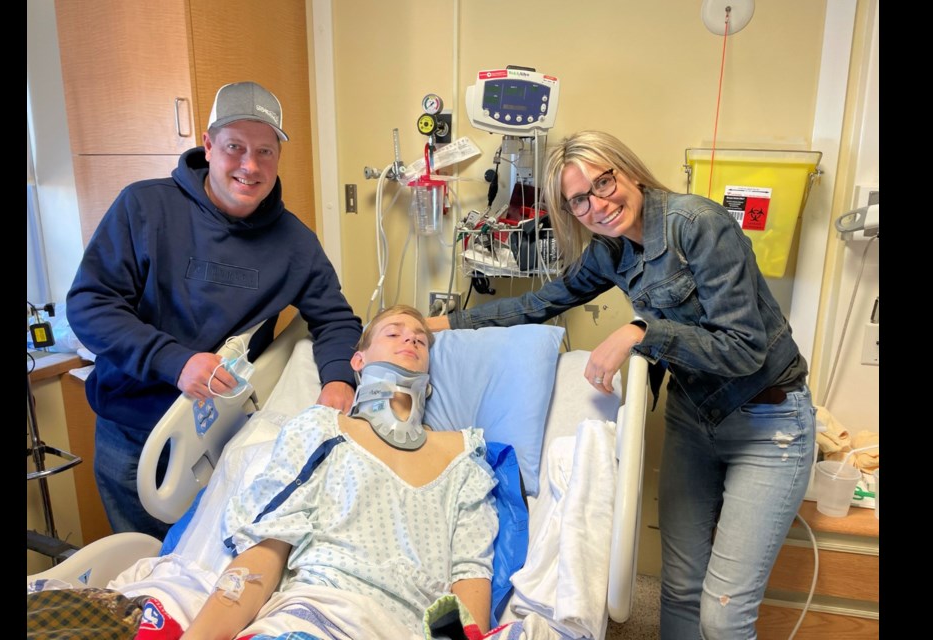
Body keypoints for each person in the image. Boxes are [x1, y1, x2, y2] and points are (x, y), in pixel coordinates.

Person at [428, 131, 815, 639]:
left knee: (723, 613)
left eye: (603, 182)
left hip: (769, 422)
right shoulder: (609, 251)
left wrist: (642, 331)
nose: (598, 204)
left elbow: (744, 349)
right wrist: (446, 326)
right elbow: (540, 302)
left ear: (627, 169)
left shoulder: (698, 226)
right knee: (676, 588)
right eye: (579, 200)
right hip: (694, 417)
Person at [66, 81, 363, 541]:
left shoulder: (295, 244)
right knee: (148, 576)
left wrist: (340, 378)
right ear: (207, 146)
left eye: (265, 151)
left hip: (227, 444)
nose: (250, 166)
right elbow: (89, 304)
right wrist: (175, 360)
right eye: (235, 147)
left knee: (212, 574)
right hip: (134, 439)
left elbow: (336, 319)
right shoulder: (145, 207)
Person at [173, 304, 497, 639]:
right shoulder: (321, 429)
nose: (411, 340)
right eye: (393, 332)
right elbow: (268, 543)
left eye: (420, 340)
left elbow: (470, 572)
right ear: (359, 361)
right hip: (313, 618)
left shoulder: (463, 456)